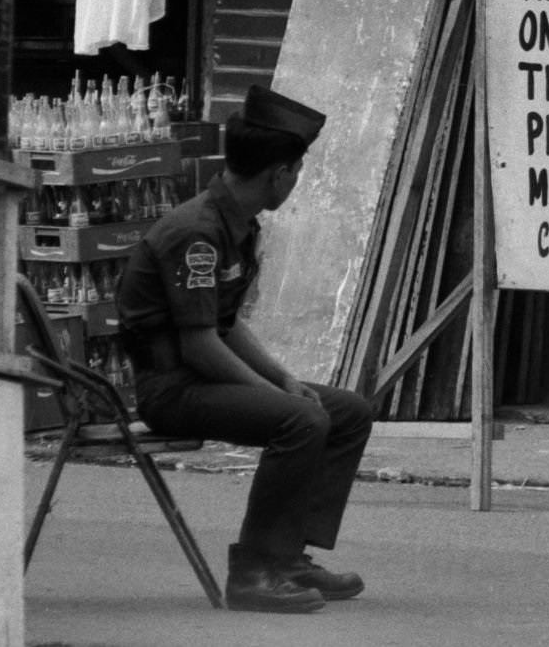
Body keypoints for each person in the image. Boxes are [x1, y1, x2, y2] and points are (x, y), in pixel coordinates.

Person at [116, 84, 374, 613]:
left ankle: (289, 558)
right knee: (301, 422)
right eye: (297, 171)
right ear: (279, 172)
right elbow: (200, 345)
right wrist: (279, 397)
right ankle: (255, 572)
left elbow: (225, 325)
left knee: (347, 412)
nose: (296, 182)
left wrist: (282, 380)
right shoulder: (198, 233)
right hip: (170, 387)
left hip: (200, 376)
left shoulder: (235, 224)